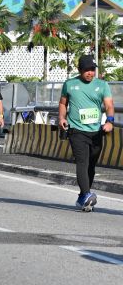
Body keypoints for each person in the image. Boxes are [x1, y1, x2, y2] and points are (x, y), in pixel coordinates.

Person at [59, 54, 114, 211]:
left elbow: (109, 105)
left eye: (92, 70)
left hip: (96, 132)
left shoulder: (102, 85)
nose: (90, 73)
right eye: (86, 70)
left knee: (91, 165)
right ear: (79, 70)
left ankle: (83, 196)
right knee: (82, 162)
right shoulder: (70, 84)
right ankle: (87, 195)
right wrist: (62, 118)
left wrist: (110, 121)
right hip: (76, 130)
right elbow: (63, 103)